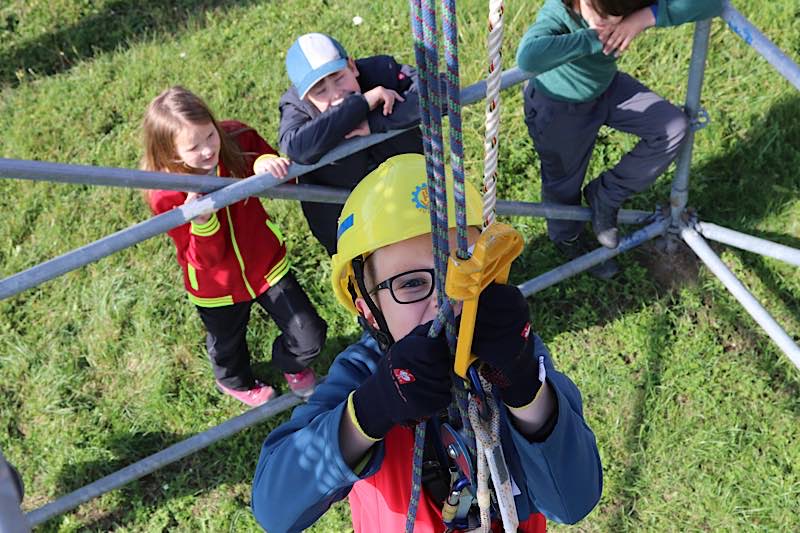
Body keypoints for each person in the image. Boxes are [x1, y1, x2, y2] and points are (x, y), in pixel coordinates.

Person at [252, 154, 602, 532]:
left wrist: (524, 390)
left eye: (462, 274)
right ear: (369, 311)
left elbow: (573, 501)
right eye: (412, 284)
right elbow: (274, 510)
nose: (445, 303)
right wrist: (370, 412)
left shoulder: (508, 357)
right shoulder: (362, 375)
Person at [141, 86, 327, 406]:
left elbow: (280, 173)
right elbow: (207, 259)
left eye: (209, 136)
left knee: (309, 335)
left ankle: (290, 364)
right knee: (228, 345)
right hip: (216, 285)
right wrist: (202, 222)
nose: (207, 150)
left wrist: (264, 165)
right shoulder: (165, 194)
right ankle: (235, 383)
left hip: (265, 263)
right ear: (171, 154)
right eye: (193, 147)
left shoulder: (235, 138)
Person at [516, 0, 722, 278]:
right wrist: (591, 37)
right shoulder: (559, 12)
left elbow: (713, 4)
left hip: (606, 88)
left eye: (620, 19)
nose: (612, 26)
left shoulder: (627, 11)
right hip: (559, 107)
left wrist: (643, 18)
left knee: (672, 127)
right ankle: (567, 237)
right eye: (604, 18)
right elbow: (528, 57)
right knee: (563, 183)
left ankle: (605, 195)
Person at [278, 32, 423, 255]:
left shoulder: (382, 70)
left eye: (338, 78)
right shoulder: (296, 107)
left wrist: (376, 123)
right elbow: (297, 148)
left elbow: (440, 90)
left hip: (413, 196)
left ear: (352, 66)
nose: (336, 95)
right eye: (320, 90)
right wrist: (362, 103)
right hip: (349, 222)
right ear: (305, 97)